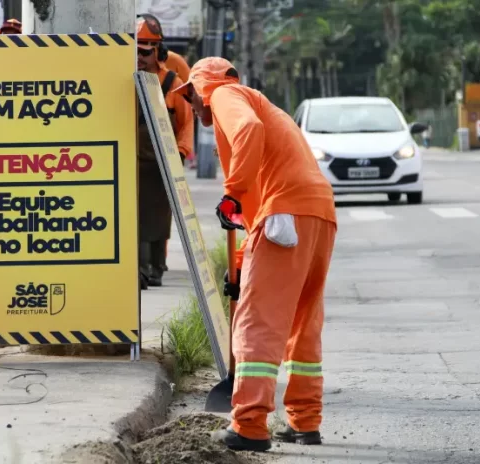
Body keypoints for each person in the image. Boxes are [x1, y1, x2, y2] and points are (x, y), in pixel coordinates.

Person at [174, 57, 337, 452]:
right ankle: (305, 421)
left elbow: (249, 130)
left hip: (286, 212)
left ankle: (248, 424)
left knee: (258, 319)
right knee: (303, 319)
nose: (192, 107)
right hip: (317, 212)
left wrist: (232, 192)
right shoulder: (259, 99)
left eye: (191, 97)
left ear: (201, 87)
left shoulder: (226, 95)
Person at [136, 16, 193, 288]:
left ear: (158, 51)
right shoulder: (124, 79)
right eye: (135, 50)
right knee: (137, 218)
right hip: (132, 163)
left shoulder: (172, 81)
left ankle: (155, 268)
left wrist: (180, 154)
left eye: (145, 51)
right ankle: (142, 269)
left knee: (157, 219)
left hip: (161, 163)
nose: (139, 57)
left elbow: (186, 122)